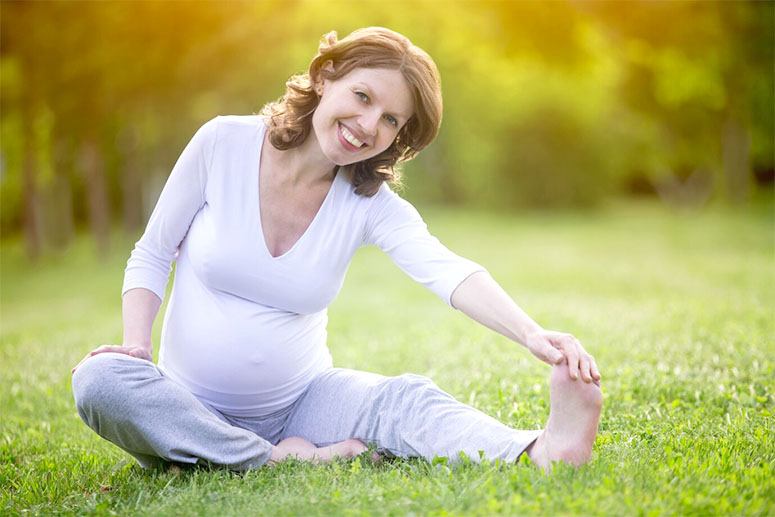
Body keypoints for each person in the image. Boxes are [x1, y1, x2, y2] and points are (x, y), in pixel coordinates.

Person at [71, 27, 602, 472]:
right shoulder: (222, 144)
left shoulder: (368, 202)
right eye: (363, 97)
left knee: (401, 400)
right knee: (100, 381)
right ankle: (281, 460)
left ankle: (539, 451)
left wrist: (532, 334)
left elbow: (448, 271)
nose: (369, 126)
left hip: (304, 403)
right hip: (184, 409)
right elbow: (153, 251)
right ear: (326, 78)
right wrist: (137, 347)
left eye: (392, 120)